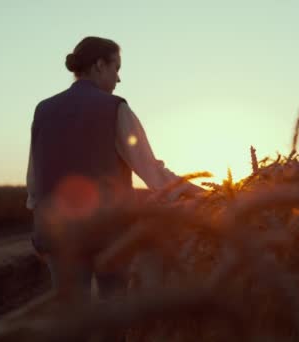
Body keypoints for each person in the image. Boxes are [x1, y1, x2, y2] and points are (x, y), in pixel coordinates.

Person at [25, 36, 203, 302]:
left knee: (72, 318)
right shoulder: (114, 107)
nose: (118, 78)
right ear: (99, 65)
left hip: (56, 233)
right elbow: (152, 173)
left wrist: (42, 228)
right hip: (107, 233)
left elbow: (34, 179)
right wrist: (201, 194)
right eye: (116, 68)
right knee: (114, 314)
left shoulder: (43, 109)